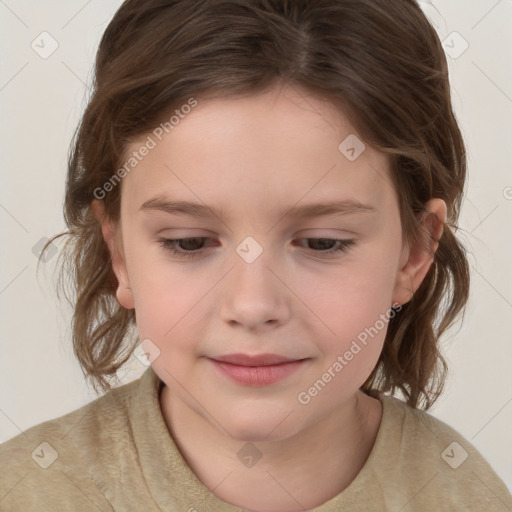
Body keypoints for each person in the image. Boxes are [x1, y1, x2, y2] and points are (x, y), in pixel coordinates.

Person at [1, 0, 511, 510]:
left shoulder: (467, 496)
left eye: (322, 243)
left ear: (413, 254)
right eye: (188, 242)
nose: (252, 305)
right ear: (120, 253)